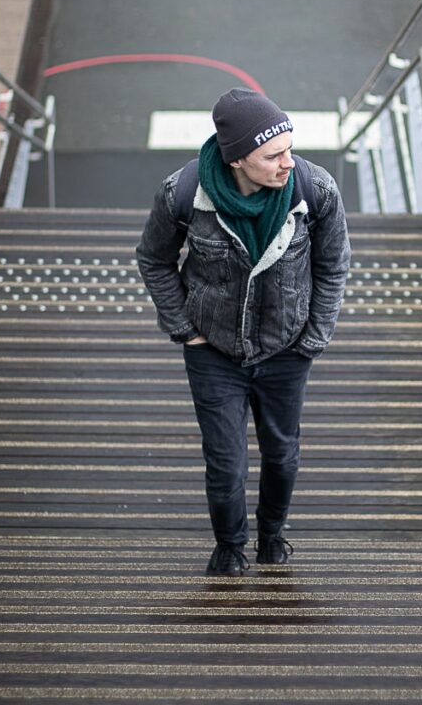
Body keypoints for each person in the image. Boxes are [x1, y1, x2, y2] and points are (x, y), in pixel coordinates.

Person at [136, 88, 351, 576]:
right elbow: (153, 258)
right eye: (273, 155)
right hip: (213, 351)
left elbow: (334, 265)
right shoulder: (184, 193)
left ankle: (273, 536)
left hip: (286, 349)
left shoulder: (314, 191)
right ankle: (230, 546)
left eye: (289, 149)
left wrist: (313, 340)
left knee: (281, 453)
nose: (288, 163)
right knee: (226, 461)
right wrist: (184, 330)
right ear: (236, 160)